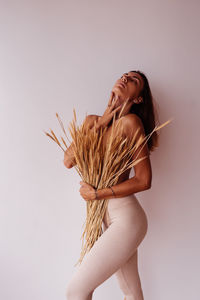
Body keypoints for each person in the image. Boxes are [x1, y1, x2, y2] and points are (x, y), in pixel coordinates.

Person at [63, 70, 159, 300]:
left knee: (76, 291)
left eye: (134, 80)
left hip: (127, 218)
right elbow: (68, 160)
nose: (125, 78)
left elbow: (144, 180)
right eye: (124, 75)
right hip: (106, 217)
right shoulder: (91, 122)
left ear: (138, 99)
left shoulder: (131, 122)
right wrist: (103, 121)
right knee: (132, 293)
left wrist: (97, 194)